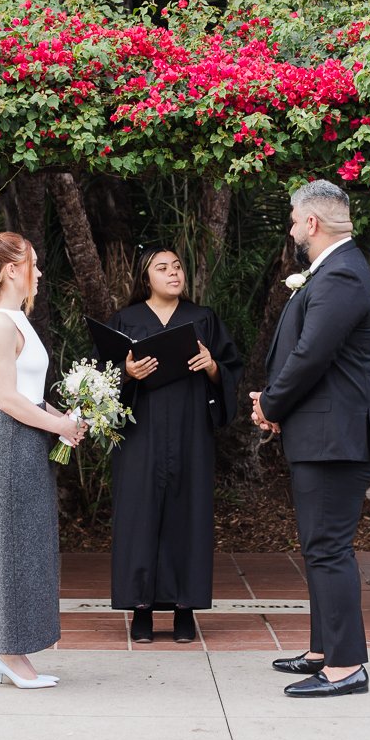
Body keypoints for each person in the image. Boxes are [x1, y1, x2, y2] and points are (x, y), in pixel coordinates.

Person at [250, 181, 370, 698]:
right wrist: (276, 405)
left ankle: (346, 666)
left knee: (328, 548)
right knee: (318, 548)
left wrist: (270, 404)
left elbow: (311, 356)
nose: (291, 228)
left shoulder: (342, 276)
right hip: (326, 434)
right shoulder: (337, 272)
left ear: (312, 223)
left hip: (340, 438)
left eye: (293, 220)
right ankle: (322, 650)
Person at [0, 229, 89, 689]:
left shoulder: (18, 320)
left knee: (29, 545)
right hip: (11, 444)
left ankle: (9, 649)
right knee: (12, 549)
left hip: (28, 441)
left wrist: (68, 418)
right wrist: (58, 425)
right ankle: (7, 652)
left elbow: (29, 395)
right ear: (11, 270)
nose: (39, 272)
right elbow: (5, 398)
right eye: (32, 264)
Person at [107, 247, 243, 644]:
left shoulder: (203, 319)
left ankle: (185, 609)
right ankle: (142, 610)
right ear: (145, 277)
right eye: (162, 268)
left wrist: (213, 366)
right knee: (139, 514)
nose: (173, 273)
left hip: (190, 432)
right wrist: (126, 373)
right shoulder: (127, 321)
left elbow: (231, 369)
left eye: (178, 266)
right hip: (140, 434)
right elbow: (102, 379)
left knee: (190, 513)